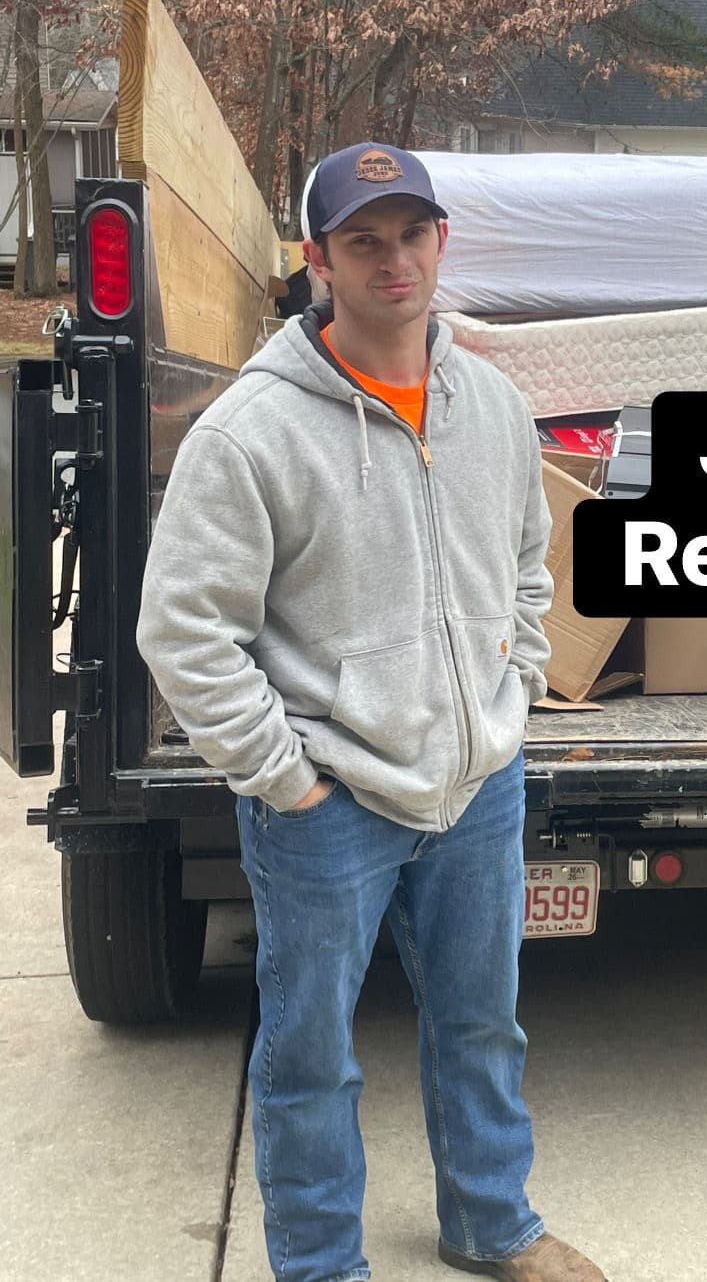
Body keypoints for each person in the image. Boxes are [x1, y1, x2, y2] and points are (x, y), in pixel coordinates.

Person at [137, 142, 607, 1282]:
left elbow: (528, 564)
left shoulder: (491, 406)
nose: (393, 259)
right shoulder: (253, 431)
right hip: (330, 803)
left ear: (441, 243)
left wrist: (513, 689)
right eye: (363, 240)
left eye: (412, 233)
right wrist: (284, 776)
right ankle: (318, 1265)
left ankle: (493, 1224)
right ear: (319, 263)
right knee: (308, 1056)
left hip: (477, 784)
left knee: (482, 1028)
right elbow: (184, 631)